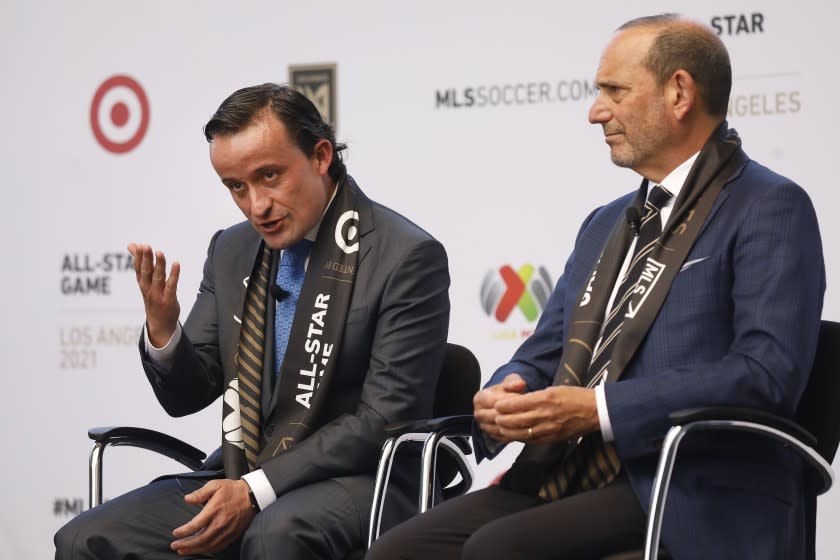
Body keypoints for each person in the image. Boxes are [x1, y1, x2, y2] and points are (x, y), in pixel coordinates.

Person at [366, 14, 824, 560]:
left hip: (688, 484)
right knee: (399, 552)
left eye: (614, 91)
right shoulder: (605, 224)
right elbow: (545, 351)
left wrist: (600, 410)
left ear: (679, 92)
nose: (595, 111)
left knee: (498, 550)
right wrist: (506, 392)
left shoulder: (768, 206)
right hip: (563, 471)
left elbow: (765, 374)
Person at [54, 84, 451, 559]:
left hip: (365, 481)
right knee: (85, 540)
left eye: (270, 176)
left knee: (273, 535)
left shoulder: (405, 256)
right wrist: (164, 333)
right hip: (239, 474)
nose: (256, 205)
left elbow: (384, 420)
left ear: (321, 156)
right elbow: (187, 396)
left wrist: (256, 489)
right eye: (236, 187)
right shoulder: (232, 249)